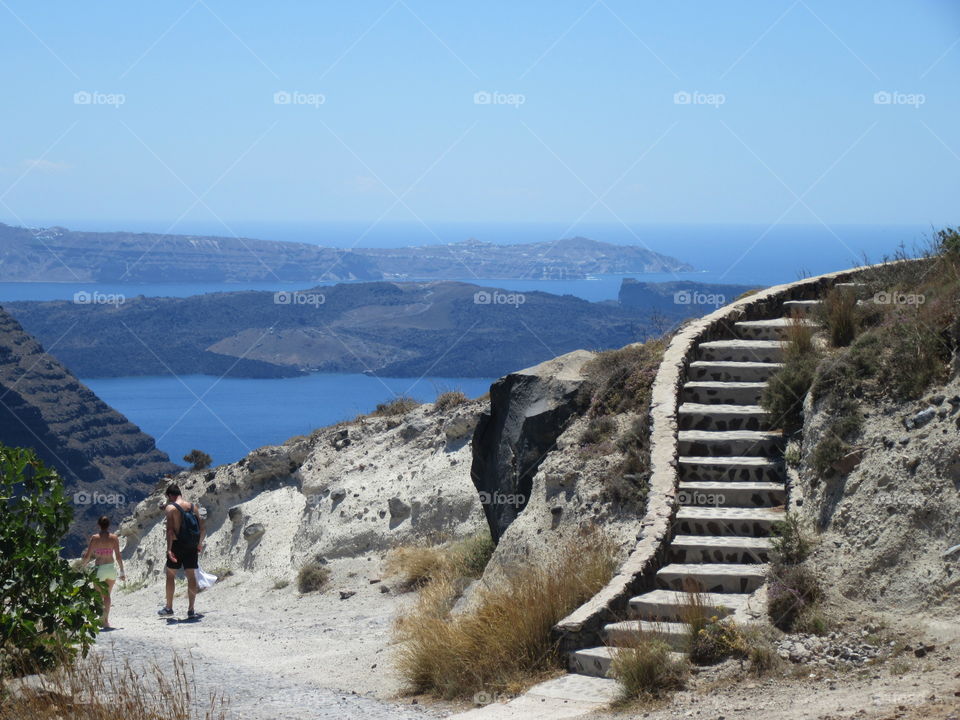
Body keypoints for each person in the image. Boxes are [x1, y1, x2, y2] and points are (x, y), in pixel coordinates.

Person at [158, 484, 206, 618]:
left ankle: (169, 608)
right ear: (180, 493)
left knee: (170, 575)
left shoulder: (170, 508)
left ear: (169, 496)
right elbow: (202, 527)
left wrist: (169, 550)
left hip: (177, 545)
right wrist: (199, 544)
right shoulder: (193, 507)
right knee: (191, 576)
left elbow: (170, 531)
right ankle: (191, 610)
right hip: (191, 545)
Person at [81, 516, 125, 629]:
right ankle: (106, 620)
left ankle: (101, 618)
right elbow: (118, 556)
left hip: (99, 569)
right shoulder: (114, 538)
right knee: (107, 595)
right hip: (111, 568)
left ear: (98, 525)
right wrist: (122, 571)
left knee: (98, 596)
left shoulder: (95, 538)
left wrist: (82, 568)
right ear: (109, 525)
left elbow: (88, 555)